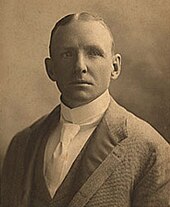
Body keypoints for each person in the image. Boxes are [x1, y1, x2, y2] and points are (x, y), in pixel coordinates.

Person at [1, 12, 170, 207]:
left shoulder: (151, 150)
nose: (80, 66)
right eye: (67, 54)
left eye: (94, 53)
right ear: (51, 69)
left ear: (115, 67)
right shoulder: (21, 144)